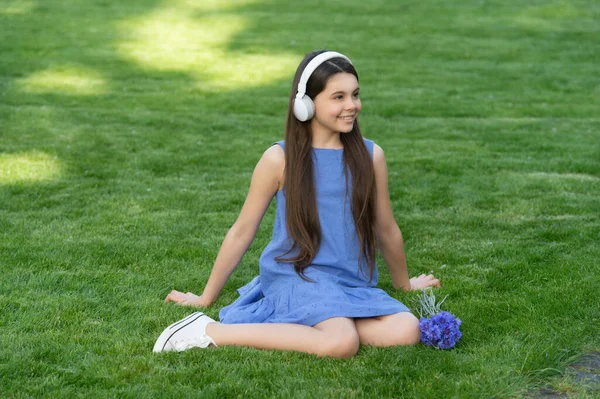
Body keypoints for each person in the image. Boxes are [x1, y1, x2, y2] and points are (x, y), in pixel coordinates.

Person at [153, 50, 441, 359]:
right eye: (338, 97)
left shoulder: (372, 156)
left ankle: (320, 322)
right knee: (341, 343)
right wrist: (205, 297)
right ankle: (208, 330)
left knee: (407, 330)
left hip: (349, 281)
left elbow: (385, 228)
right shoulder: (279, 159)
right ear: (306, 104)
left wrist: (405, 286)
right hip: (298, 277)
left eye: (355, 95)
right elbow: (242, 231)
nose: (351, 106)